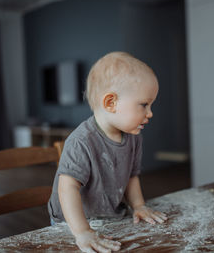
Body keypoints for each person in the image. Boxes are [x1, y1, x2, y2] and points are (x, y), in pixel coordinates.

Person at [48, 51, 167, 253]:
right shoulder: (81, 142)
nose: (150, 113)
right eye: (144, 105)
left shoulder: (134, 136)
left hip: (108, 217)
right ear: (111, 103)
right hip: (72, 224)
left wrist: (138, 205)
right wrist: (82, 232)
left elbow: (131, 175)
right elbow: (66, 189)